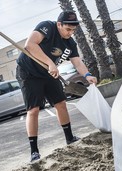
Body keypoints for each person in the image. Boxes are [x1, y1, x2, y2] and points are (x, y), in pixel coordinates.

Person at [16, 10, 97, 162]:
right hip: (29, 73)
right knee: (33, 110)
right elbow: (30, 45)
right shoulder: (47, 27)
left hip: (49, 73)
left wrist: (87, 75)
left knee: (61, 103)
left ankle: (70, 138)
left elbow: (77, 62)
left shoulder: (70, 43)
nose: (71, 33)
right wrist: (50, 63)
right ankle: (34, 151)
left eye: (73, 30)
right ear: (59, 24)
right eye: (68, 29)